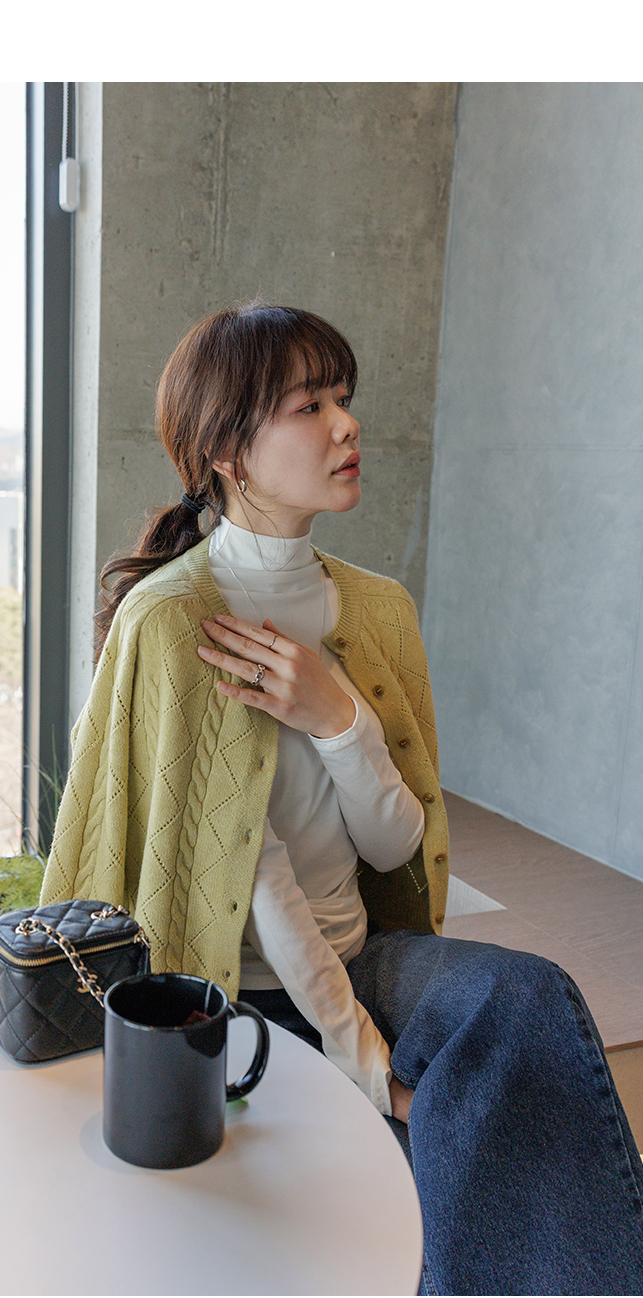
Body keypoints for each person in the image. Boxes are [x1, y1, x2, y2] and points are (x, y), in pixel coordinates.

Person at [40, 300, 643, 1295]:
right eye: (309, 405)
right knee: (466, 1112)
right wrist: (374, 1072)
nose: (347, 424)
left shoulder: (378, 610)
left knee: (526, 997)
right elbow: (264, 890)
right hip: (230, 994)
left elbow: (397, 844)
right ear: (228, 450)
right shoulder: (177, 621)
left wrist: (338, 718)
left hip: (367, 954)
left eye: (343, 398)